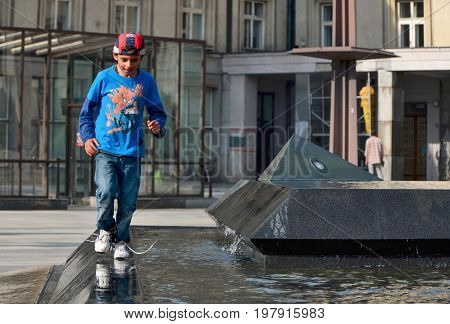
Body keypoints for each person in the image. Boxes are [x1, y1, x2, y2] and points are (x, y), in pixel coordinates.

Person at [79, 32, 166, 259]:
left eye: (134, 60)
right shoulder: (103, 78)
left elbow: (159, 114)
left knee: (128, 202)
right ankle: (106, 229)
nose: (129, 65)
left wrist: (157, 126)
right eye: (124, 60)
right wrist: (88, 137)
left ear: (141, 58)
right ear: (116, 55)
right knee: (106, 192)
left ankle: (122, 241)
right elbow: (85, 115)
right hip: (105, 150)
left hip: (132, 153)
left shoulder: (147, 82)